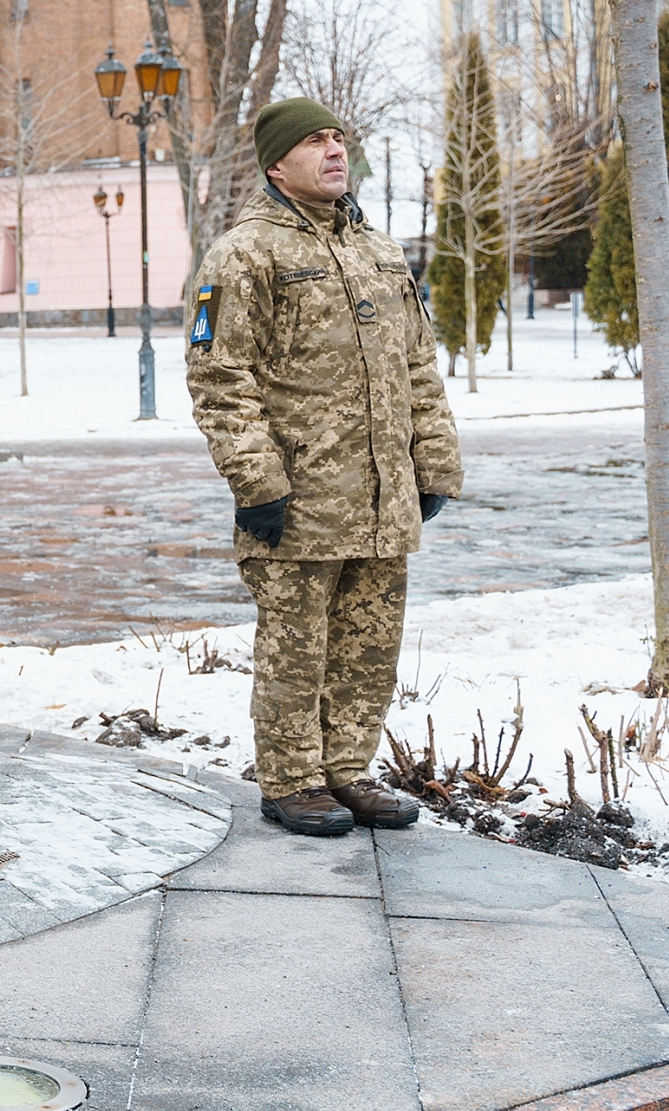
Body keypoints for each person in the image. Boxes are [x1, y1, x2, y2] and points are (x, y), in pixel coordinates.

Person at [187, 97, 464, 838]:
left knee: (369, 646)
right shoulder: (245, 253)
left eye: (339, 137)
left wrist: (432, 463)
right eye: (315, 140)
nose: (335, 150)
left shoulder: (378, 250)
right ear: (278, 163)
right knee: (295, 648)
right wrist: (258, 482)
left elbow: (418, 366)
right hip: (300, 501)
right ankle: (292, 780)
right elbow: (220, 378)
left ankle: (347, 769)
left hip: (381, 499)